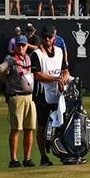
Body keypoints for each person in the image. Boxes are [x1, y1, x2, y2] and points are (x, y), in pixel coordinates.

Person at [32, 26, 69, 167]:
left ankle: (64, 152)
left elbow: (65, 70)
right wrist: (56, 79)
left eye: (49, 37)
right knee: (42, 125)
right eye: (45, 37)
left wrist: (64, 78)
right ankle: (43, 157)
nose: (47, 39)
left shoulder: (59, 51)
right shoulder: (36, 54)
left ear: (54, 37)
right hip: (42, 94)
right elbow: (37, 75)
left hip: (58, 94)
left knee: (61, 124)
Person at [0, 33, 36, 167]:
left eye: (23, 45)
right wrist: (5, 72)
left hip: (30, 97)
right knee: (16, 129)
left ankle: (27, 158)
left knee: (29, 128)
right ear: (15, 46)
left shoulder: (29, 58)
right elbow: (2, 76)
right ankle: (14, 159)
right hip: (16, 97)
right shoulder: (10, 58)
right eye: (19, 45)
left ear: (27, 46)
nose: (21, 47)